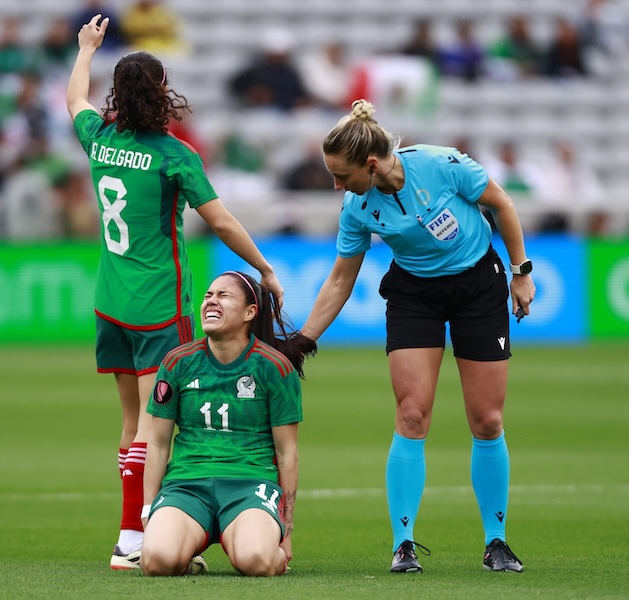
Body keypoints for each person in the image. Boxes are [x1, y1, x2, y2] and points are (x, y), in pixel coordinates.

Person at [66, 14, 285, 570]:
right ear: (161, 93)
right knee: (154, 424)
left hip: (109, 299)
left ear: (118, 94)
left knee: (128, 422)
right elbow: (223, 222)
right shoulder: (174, 156)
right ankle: (139, 537)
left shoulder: (100, 139)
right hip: (156, 304)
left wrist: (86, 51)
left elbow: (74, 101)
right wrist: (262, 266)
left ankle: (128, 535)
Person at [296, 100, 535, 574]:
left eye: (342, 175)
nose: (337, 186)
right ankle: (403, 544)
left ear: (370, 163)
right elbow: (341, 280)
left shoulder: (441, 165)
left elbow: (501, 204)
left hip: (478, 287)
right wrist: (303, 340)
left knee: (486, 419)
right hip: (414, 295)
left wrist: (520, 271)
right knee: (411, 413)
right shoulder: (357, 205)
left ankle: (496, 542)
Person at [141, 271, 314, 576]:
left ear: (250, 312)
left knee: (255, 562)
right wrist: (147, 509)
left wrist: (287, 531)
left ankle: (251, 539)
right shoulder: (177, 362)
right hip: (187, 485)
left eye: (223, 296)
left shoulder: (274, 367)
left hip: (250, 485)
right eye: (208, 295)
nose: (211, 301)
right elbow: (157, 443)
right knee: (156, 561)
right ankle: (187, 551)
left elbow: (287, 454)